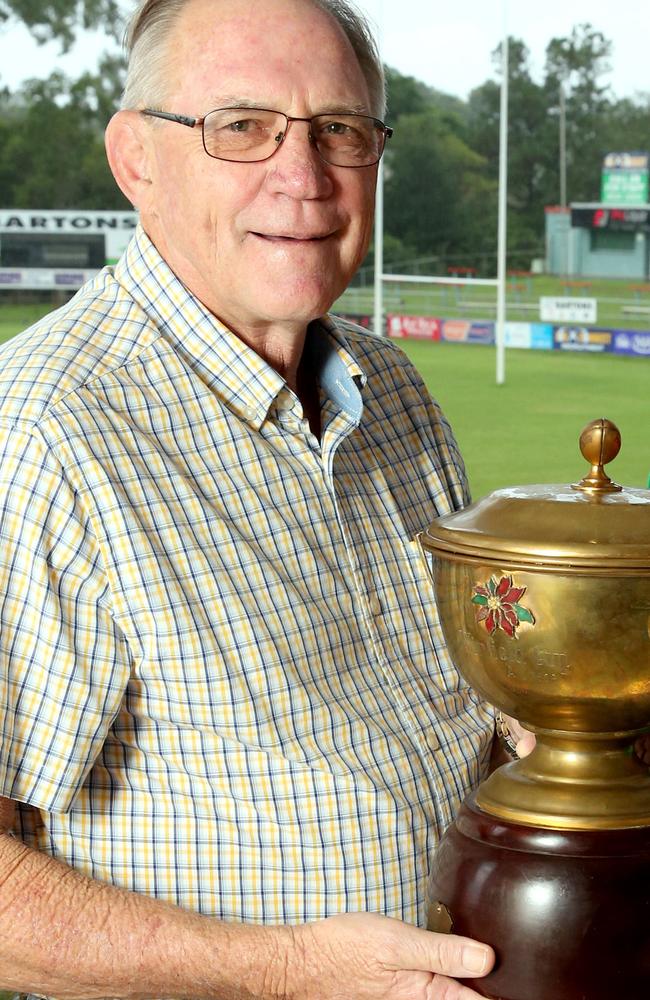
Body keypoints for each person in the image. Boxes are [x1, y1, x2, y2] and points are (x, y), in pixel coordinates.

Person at [0, 0, 510, 996]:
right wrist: (280, 970)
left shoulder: (393, 394)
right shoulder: (42, 435)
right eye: (242, 127)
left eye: (340, 130)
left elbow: (464, 711)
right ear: (137, 158)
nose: (305, 176)